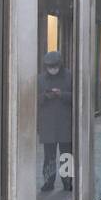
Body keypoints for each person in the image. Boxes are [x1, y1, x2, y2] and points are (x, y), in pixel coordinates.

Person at [37, 51, 73, 192]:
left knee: (66, 154)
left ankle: (67, 182)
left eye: (54, 66)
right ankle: (48, 182)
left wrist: (61, 94)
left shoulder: (69, 77)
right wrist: (46, 96)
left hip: (65, 122)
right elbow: (35, 99)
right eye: (49, 66)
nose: (52, 69)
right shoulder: (40, 79)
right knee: (49, 156)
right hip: (48, 123)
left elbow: (76, 97)